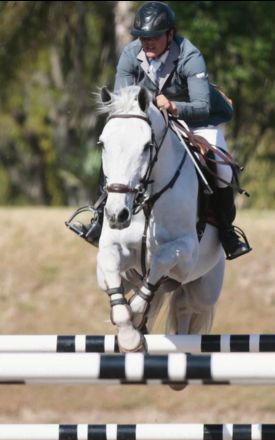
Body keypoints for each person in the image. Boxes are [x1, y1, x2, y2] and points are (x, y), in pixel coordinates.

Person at [69, 1, 251, 260]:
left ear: (170, 34)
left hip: (199, 119)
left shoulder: (190, 55)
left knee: (220, 168)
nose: (148, 42)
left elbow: (201, 107)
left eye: (154, 36)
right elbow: (124, 100)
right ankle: (99, 220)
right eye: (143, 37)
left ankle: (227, 231)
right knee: (119, 149)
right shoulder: (131, 54)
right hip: (153, 117)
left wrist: (173, 105)